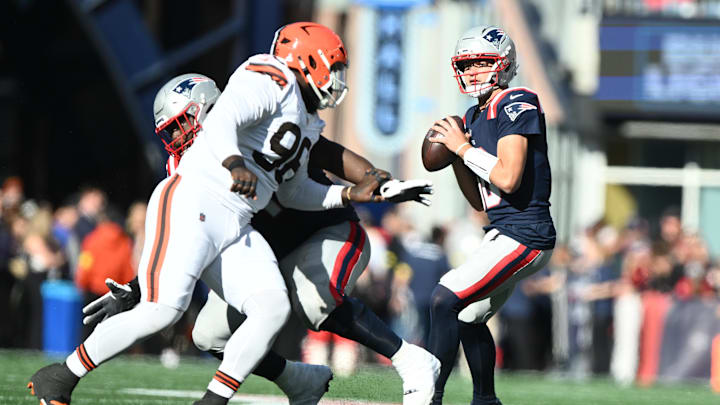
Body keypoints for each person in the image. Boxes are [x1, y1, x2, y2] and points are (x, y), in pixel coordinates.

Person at [27, 22, 398, 405]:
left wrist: (350, 192)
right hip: (196, 203)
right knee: (161, 311)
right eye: (173, 131)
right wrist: (140, 286)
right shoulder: (263, 83)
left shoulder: (294, 120)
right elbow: (220, 132)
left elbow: (293, 189)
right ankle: (60, 377)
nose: (179, 137)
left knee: (271, 308)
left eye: (184, 123)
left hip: (234, 223)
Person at [426, 25, 556, 404]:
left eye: (482, 63)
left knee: (442, 299)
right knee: (467, 316)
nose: (472, 73)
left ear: (504, 64)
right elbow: (481, 203)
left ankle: (428, 395)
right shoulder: (473, 114)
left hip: (526, 233)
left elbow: (510, 178)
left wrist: (463, 148)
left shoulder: (517, 101)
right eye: (466, 65)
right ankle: (486, 400)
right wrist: (455, 157)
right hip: (503, 231)